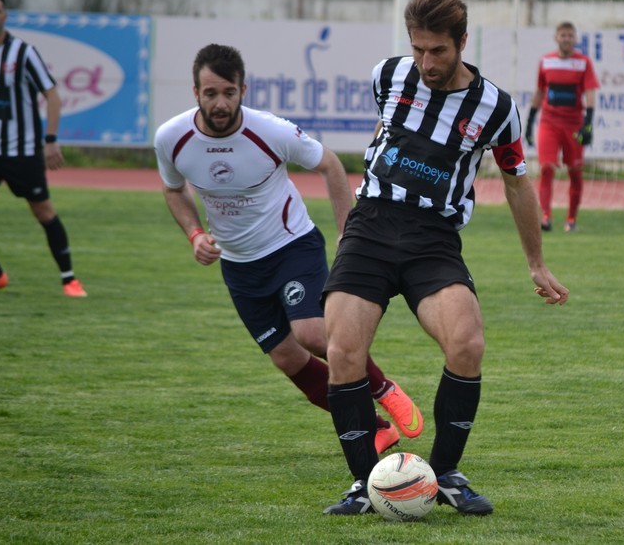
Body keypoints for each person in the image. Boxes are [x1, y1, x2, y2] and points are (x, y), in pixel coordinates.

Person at [320, 0, 569, 517]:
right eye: (418, 49)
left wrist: (536, 263)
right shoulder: (388, 76)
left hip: (432, 239)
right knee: (342, 352)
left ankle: (446, 473)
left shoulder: (496, 107)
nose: (427, 63)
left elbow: (517, 183)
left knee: (467, 342)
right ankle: (365, 484)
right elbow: (385, 131)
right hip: (371, 227)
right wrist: (354, 218)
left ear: (462, 42)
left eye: (438, 51)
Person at [153, 43, 423, 455]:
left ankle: (383, 388)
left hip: (291, 246)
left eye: (228, 92)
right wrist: (194, 234)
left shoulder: (270, 131)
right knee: (285, 357)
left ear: (243, 90)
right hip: (239, 265)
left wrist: (347, 232)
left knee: (312, 333)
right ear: (195, 93)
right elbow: (173, 190)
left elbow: (330, 164)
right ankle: (375, 428)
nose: (220, 103)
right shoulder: (171, 138)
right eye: (210, 93)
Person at [0, 0, 87, 297]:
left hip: (22, 151)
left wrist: (50, 140)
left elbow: (52, 95)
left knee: (43, 212)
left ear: (5, 15)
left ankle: (69, 279)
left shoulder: (22, 53)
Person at [526, 21, 599, 232]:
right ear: (556, 38)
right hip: (549, 122)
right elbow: (539, 91)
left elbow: (590, 93)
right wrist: (530, 122)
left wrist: (588, 123)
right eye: (563, 35)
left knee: (575, 171)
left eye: (570, 35)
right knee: (546, 167)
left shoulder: (583, 63)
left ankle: (571, 219)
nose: (566, 39)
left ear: (575, 39)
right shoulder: (546, 61)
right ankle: (545, 217)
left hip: (573, 125)